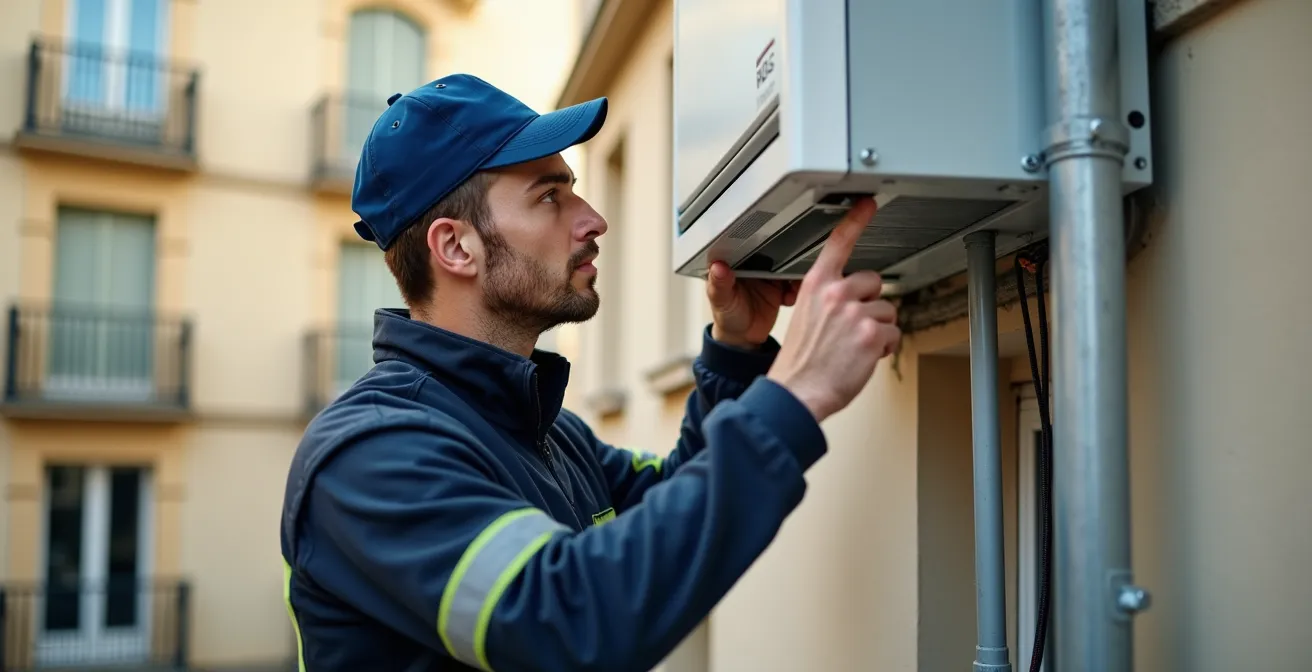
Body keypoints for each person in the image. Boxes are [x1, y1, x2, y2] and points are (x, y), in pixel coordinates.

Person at [279, 73, 901, 672]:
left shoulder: (548, 433)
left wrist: (737, 353)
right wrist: (796, 395)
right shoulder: (371, 455)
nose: (593, 219)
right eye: (550, 196)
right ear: (455, 247)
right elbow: (570, 619)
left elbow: (670, 507)